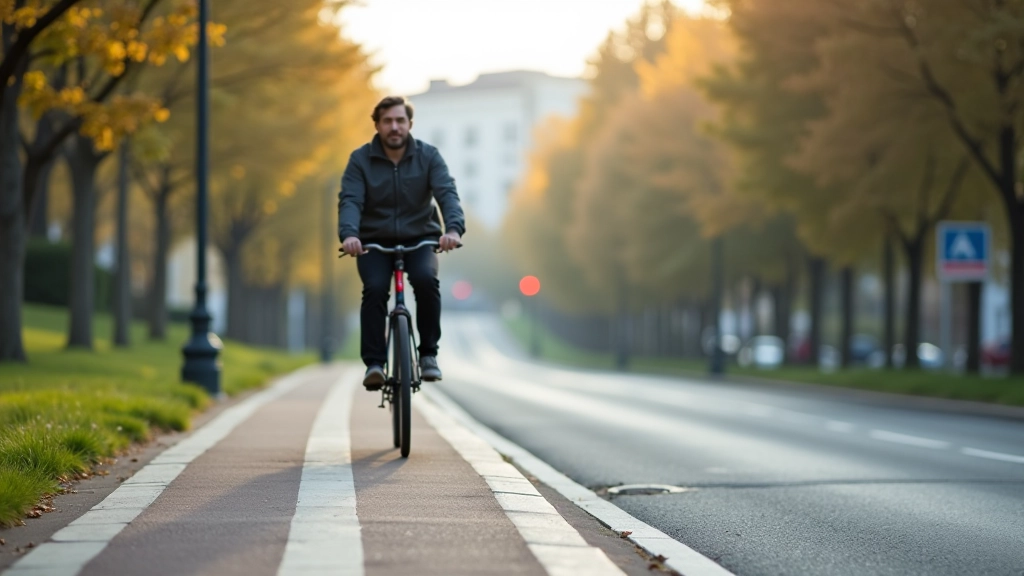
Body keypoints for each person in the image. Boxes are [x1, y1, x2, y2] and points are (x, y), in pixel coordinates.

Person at [338, 96, 465, 390]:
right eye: (387, 121)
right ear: (377, 125)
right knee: (374, 289)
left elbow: (447, 193)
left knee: (425, 280)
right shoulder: (360, 160)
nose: (394, 127)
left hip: (420, 237)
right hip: (372, 240)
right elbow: (351, 200)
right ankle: (374, 364)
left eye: (400, 121)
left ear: (409, 124)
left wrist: (454, 230)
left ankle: (429, 355)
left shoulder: (429, 156)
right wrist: (349, 235)